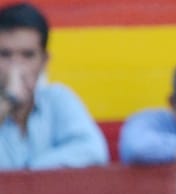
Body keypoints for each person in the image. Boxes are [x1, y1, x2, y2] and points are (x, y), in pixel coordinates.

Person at [0, 2, 108, 170]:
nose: (16, 66)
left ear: (44, 61)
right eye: (5, 55)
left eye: (27, 55)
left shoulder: (58, 99)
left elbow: (93, 150)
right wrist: (7, 101)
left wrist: (29, 173)